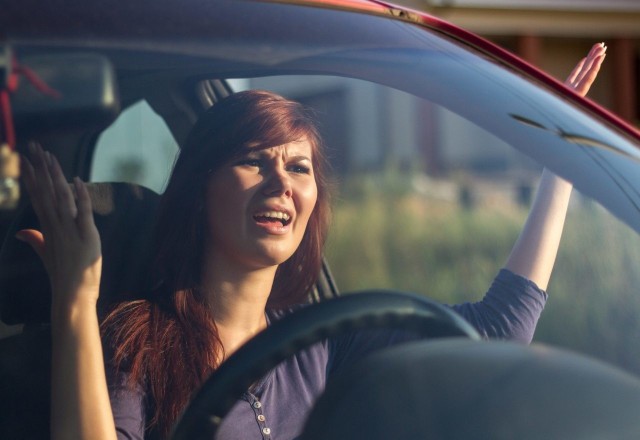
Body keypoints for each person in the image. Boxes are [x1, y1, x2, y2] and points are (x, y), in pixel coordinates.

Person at [17, 43, 606, 440]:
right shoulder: (137, 338)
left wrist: (559, 168)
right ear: (200, 189)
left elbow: (500, 328)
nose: (282, 184)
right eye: (254, 161)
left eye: (300, 169)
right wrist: (75, 295)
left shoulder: (321, 343)